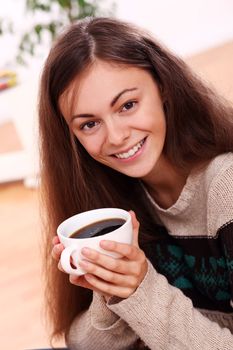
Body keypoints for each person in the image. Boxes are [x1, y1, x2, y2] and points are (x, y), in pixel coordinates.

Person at [39, 17, 233, 350]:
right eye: (89, 125)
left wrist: (141, 290)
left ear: (164, 88)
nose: (115, 137)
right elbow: (80, 343)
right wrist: (110, 290)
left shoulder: (226, 186)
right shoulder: (107, 197)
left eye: (128, 105)